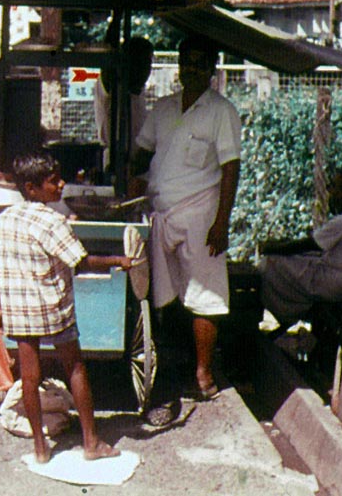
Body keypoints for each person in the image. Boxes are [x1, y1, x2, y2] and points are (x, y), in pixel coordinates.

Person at [0, 150, 128, 464]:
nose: (62, 184)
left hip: (18, 309)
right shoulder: (53, 221)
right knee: (75, 368)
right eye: (53, 181)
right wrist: (119, 260)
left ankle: (40, 449)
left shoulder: (7, 217)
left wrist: (0, 307)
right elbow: (80, 262)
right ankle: (91, 443)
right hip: (53, 307)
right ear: (32, 188)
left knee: (29, 376)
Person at [130, 34, 241, 410]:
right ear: (178, 66)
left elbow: (231, 169)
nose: (192, 68)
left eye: (200, 62)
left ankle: (203, 375)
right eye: (186, 61)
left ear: (212, 69)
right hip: (161, 214)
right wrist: (128, 187)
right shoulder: (162, 108)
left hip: (202, 215)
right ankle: (168, 368)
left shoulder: (221, 111)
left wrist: (222, 222)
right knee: (162, 295)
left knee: (205, 298)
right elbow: (141, 154)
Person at [258, 169, 342, 327]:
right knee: (301, 261)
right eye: (333, 187)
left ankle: (290, 316)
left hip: (336, 283)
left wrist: (273, 247)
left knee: (270, 263)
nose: (335, 193)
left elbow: (308, 244)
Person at [92, 36, 154, 171]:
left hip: (138, 167)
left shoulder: (139, 91)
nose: (146, 70)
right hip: (115, 166)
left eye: (148, 64)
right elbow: (108, 59)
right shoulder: (111, 88)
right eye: (140, 63)